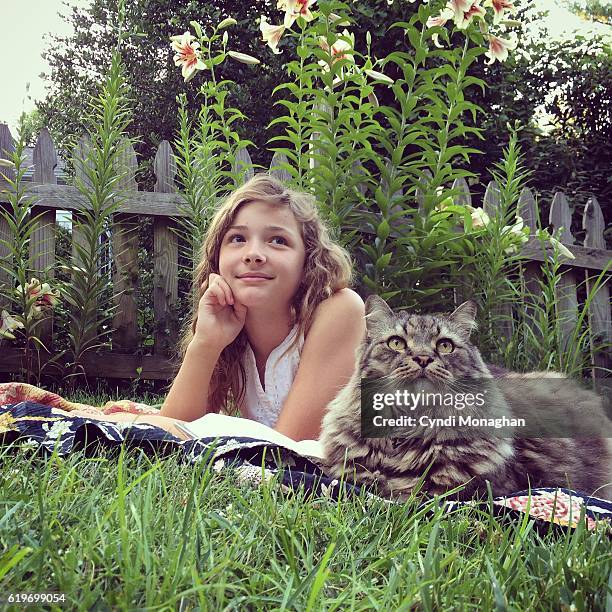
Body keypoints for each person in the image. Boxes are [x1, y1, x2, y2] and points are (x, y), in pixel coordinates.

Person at [70, 174, 365, 441]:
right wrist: (207, 342)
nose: (254, 254)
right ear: (217, 260)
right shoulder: (234, 333)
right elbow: (170, 429)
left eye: (278, 240)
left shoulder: (340, 309)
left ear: (308, 262)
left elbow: (288, 448)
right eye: (237, 238)